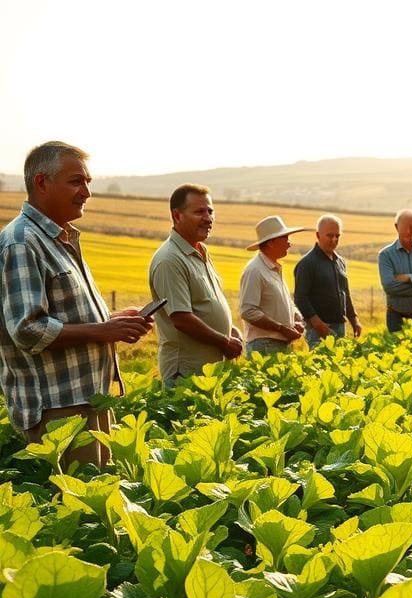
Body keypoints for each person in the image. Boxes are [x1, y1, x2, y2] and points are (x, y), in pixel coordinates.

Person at [0, 141, 152, 467]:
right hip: (59, 409)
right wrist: (102, 331)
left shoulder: (60, 238)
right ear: (42, 183)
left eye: (88, 182)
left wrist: (112, 321)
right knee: (78, 510)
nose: (86, 191)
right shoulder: (22, 242)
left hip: (86, 398)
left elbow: (62, 315)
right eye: (76, 181)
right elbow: (27, 330)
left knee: (96, 499)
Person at [148, 185, 242, 384]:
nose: (208, 218)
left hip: (208, 372)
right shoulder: (170, 259)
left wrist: (229, 329)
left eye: (210, 211)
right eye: (199, 212)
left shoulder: (201, 252)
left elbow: (204, 304)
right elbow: (181, 318)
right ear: (177, 216)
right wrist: (223, 341)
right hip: (186, 374)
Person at [239, 215, 307, 357]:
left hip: (277, 344)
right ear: (271, 243)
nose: (289, 243)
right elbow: (248, 311)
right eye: (285, 238)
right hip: (265, 345)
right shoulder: (255, 270)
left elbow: (287, 304)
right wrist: (282, 329)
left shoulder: (274, 268)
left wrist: (297, 319)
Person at [293, 214, 361, 346]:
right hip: (317, 330)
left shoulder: (340, 262)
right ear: (318, 235)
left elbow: (345, 293)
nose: (334, 239)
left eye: (338, 236)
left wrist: (354, 320)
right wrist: (320, 326)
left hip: (340, 326)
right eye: (330, 235)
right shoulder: (307, 263)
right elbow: (300, 298)